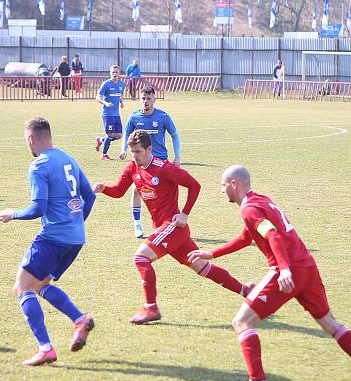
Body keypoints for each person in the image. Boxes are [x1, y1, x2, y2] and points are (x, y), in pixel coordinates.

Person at [188, 165, 351, 381]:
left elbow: (273, 235)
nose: (222, 191)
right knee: (329, 323)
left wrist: (284, 270)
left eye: (223, 185)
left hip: (289, 270)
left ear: (234, 184)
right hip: (308, 268)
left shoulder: (249, 209)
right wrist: (212, 254)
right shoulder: (261, 201)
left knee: (241, 322)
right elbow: (246, 237)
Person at [93, 131, 249, 325]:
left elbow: (194, 185)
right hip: (165, 230)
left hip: (173, 227)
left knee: (141, 258)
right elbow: (118, 191)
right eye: (132, 152)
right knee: (202, 266)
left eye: (138, 152)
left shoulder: (164, 168)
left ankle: (151, 308)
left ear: (149, 150)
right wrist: (104, 189)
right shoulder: (132, 168)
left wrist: (185, 213)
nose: (134, 156)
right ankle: (247, 291)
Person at [0, 117, 96, 366]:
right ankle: (80, 319)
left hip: (53, 238)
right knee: (40, 285)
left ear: (31, 139)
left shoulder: (39, 166)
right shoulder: (68, 159)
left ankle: (45, 348)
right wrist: (76, 222)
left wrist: (13, 213)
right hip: (75, 239)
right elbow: (89, 196)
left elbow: (37, 208)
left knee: (22, 288)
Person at [120, 85, 181, 238]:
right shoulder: (134, 117)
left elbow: (175, 135)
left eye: (148, 98)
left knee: (164, 193)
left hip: (160, 160)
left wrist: (177, 156)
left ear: (154, 99)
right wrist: (124, 150)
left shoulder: (163, 116)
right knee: (136, 190)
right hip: (141, 161)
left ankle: (166, 223)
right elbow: (127, 133)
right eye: (143, 99)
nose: (146, 101)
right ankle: (137, 224)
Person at [94, 65, 126, 161]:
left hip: (116, 114)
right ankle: (104, 155)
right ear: (110, 73)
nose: (115, 74)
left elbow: (120, 94)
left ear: (119, 73)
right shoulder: (106, 84)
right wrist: (105, 103)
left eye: (116, 72)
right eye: (113, 72)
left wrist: (121, 102)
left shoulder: (122, 84)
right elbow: (98, 97)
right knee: (110, 134)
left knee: (119, 135)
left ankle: (101, 140)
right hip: (107, 114)